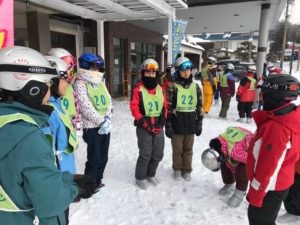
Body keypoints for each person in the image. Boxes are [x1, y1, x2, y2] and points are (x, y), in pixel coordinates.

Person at [0, 46, 97, 225]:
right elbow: (49, 202)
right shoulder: (28, 137)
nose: (49, 90)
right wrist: (74, 189)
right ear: (32, 88)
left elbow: (21, 173)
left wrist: (65, 179)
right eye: (46, 84)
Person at [246, 74, 300, 225]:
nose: (262, 98)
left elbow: (269, 166)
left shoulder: (278, 127)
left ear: (275, 96)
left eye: (264, 94)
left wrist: (256, 193)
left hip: (270, 186)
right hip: (281, 180)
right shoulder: (291, 116)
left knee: (259, 220)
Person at [43, 55, 78, 224]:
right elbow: (45, 155)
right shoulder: (46, 112)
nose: (69, 82)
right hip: (56, 181)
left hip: (64, 174)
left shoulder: (57, 103)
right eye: (65, 78)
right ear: (52, 80)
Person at [74, 53, 113, 189]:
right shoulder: (80, 84)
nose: (96, 72)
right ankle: (89, 185)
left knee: (103, 157)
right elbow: (85, 106)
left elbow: (108, 100)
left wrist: (108, 118)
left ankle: (98, 180)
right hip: (91, 127)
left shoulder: (100, 82)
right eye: (93, 68)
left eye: (98, 69)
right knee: (94, 158)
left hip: (105, 126)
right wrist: (101, 121)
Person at [130, 59, 168, 190]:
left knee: (158, 153)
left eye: (153, 73)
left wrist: (162, 121)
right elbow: (134, 108)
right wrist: (145, 124)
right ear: (143, 73)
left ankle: (151, 174)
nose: (151, 76)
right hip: (144, 126)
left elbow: (165, 107)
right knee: (146, 153)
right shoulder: (138, 90)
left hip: (158, 125)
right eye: (148, 73)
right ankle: (140, 177)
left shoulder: (161, 89)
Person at [166, 56, 203, 181]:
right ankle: (177, 169)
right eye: (183, 70)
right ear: (178, 71)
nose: (187, 73)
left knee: (188, 149)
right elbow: (168, 107)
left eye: (189, 70)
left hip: (191, 121)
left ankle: (186, 170)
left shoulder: (195, 87)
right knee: (178, 149)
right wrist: (168, 124)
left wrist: (200, 122)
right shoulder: (173, 87)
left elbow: (199, 106)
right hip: (177, 121)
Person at [203, 127, 253, 208]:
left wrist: (234, 169)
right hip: (236, 140)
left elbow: (251, 160)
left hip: (249, 142)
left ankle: (240, 193)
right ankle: (229, 184)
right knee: (225, 164)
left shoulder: (235, 152)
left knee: (242, 169)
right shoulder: (217, 144)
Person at [48, 48, 80, 130]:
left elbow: (75, 106)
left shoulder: (69, 88)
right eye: (66, 75)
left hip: (70, 126)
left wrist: (76, 123)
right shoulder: (48, 98)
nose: (69, 79)